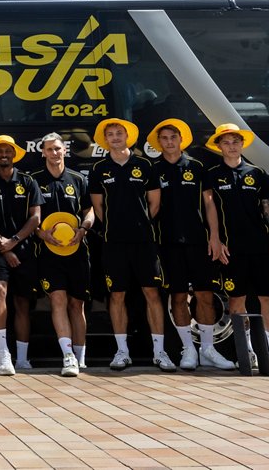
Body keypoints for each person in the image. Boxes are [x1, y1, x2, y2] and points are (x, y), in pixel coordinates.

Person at [89, 118, 175, 371]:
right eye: (111, 134)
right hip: (113, 242)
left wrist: (139, 225)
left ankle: (160, 352)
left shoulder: (145, 165)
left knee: (152, 293)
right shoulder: (99, 169)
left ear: (128, 137)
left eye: (119, 133)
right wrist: (117, 227)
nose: (115, 137)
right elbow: (98, 208)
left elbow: (154, 205)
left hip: (144, 242)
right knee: (116, 295)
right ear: (106, 140)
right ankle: (122, 352)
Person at [201, 123, 269, 372]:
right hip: (232, 249)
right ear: (219, 146)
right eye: (226, 142)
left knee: (268, 299)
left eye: (235, 141)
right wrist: (215, 238)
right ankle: (247, 351)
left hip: (261, 248)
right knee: (237, 301)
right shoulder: (212, 174)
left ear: (242, 144)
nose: (231, 146)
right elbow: (210, 208)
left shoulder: (257, 173)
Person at [147, 119, 217, 371]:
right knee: (178, 296)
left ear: (181, 139)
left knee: (205, 295)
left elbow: (209, 204)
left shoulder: (197, 167)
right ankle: (189, 349)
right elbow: (151, 208)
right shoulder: (153, 169)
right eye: (164, 138)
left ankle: (208, 349)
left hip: (199, 242)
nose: (168, 142)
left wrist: (215, 236)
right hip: (168, 243)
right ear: (159, 143)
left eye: (172, 137)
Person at [31, 133, 95, 377]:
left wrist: (83, 228)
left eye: (58, 148)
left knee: (76, 304)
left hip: (77, 252)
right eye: (49, 149)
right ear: (43, 152)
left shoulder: (78, 179)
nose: (54, 153)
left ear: (64, 150)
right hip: (48, 253)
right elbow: (30, 217)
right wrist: (40, 233)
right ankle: (67, 356)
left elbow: (90, 212)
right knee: (57, 299)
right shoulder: (35, 180)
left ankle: (80, 356)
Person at [0, 135, 42, 375]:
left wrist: (13, 242)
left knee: (23, 303)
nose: (4, 154)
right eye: (0, 151)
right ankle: (2, 353)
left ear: (14, 154)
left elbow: (36, 218)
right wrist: (1, 245)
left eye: (8, 151)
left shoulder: (27, 182)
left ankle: (22, 358)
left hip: (24, 250)